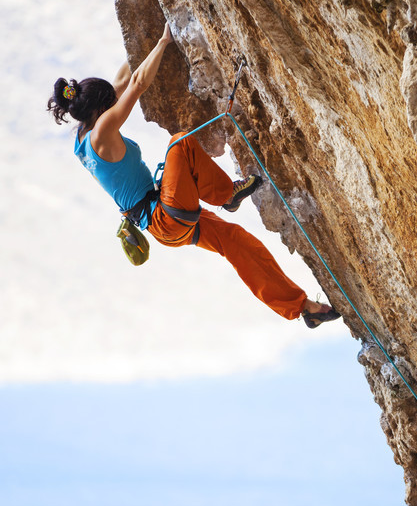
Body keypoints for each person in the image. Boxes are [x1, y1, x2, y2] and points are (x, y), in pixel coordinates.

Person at [47, 22, 340, 327]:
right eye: (109, 106)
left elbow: (122, 81)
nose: (114, 107)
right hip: (164, 215)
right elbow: (135, 84)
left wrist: (138, 40)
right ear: (99, 111)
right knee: (181, 142)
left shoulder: (83, 138)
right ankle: (228, 195)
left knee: (237, 242)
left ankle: (301, 307)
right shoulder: (102, 132)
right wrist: (162, 41)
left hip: (165, 222)